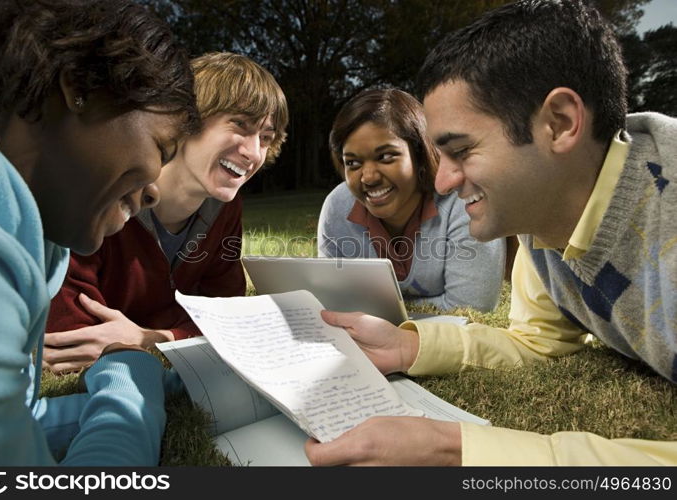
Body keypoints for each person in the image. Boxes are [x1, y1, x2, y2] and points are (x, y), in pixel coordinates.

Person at [306, 0, 677, 465]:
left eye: (461, 150)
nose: (442, 182)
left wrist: (455, 450)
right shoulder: (541, 224)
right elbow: (535, 341)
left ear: (559, 124)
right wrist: (408, 345)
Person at [0, 0, 200, 464]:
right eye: (162, 147)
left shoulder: (26, 228)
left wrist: (144, 379)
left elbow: (22, 416)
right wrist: (128, 385)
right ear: (81, 89)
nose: (155, 189)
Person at [43, 52, 288, 374]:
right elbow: (72, 335)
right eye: (240, 125)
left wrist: (153, 338)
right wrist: (178, 335)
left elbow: (227, 318)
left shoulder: (226, 209)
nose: (253, 152)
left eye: (266, 138)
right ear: (186, 118)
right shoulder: (104, 190)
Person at [317, 88, 505, 313]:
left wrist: (372, 311)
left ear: (419, 155)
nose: (368, 177)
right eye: (353, 163)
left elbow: (472, 307)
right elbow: (335, 302)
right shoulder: (338, 206)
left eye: (386, 157)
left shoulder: (463, 200)